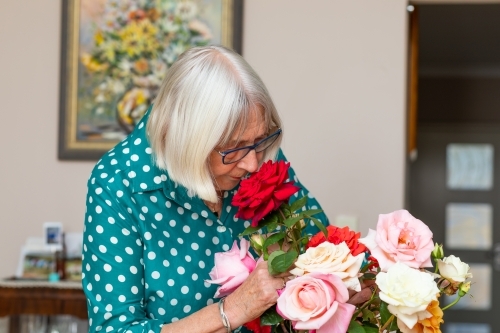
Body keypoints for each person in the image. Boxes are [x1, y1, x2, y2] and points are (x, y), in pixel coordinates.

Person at [82, 45, 336, 333]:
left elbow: (325, 248)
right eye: (234, 148)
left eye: (261, 140)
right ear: (187, 141)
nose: (254, 165)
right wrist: (235, 308)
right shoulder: (120, 181)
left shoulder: (258, 153)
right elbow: (114, 329)